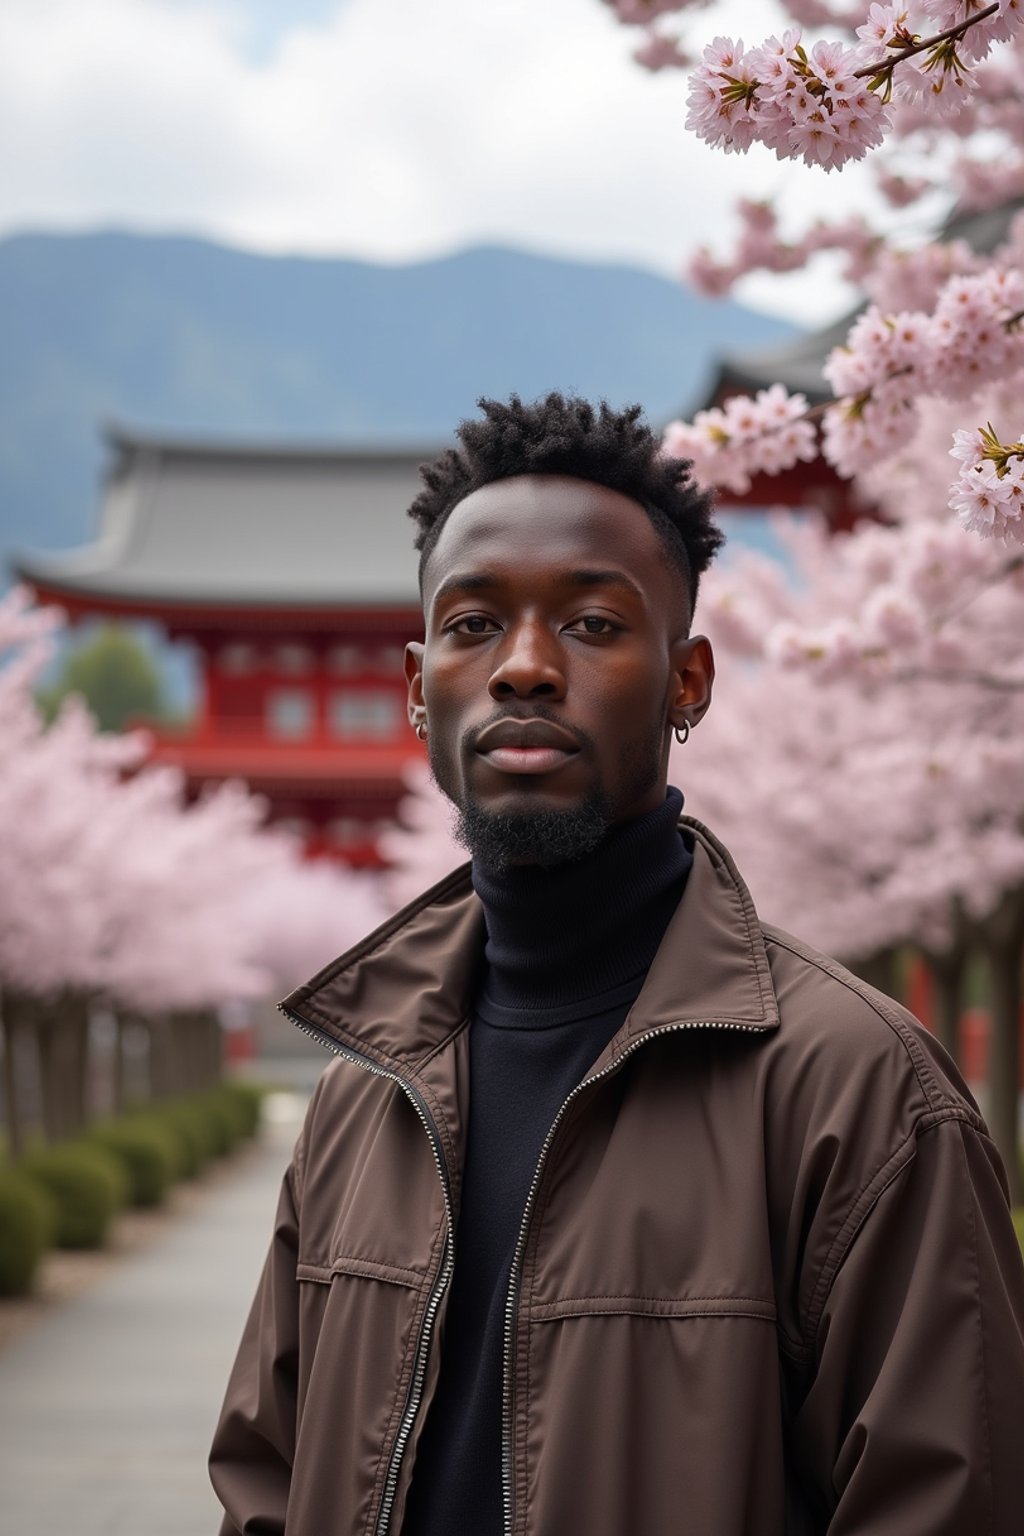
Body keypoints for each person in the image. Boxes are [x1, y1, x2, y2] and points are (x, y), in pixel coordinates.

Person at [210, 394, 1024, 1536]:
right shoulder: (362, 1099)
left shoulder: (856, 1092)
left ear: (688, 680)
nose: (526, 669)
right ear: (415, 685)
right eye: (474, 624)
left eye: (592, 624)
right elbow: (265, 1485)